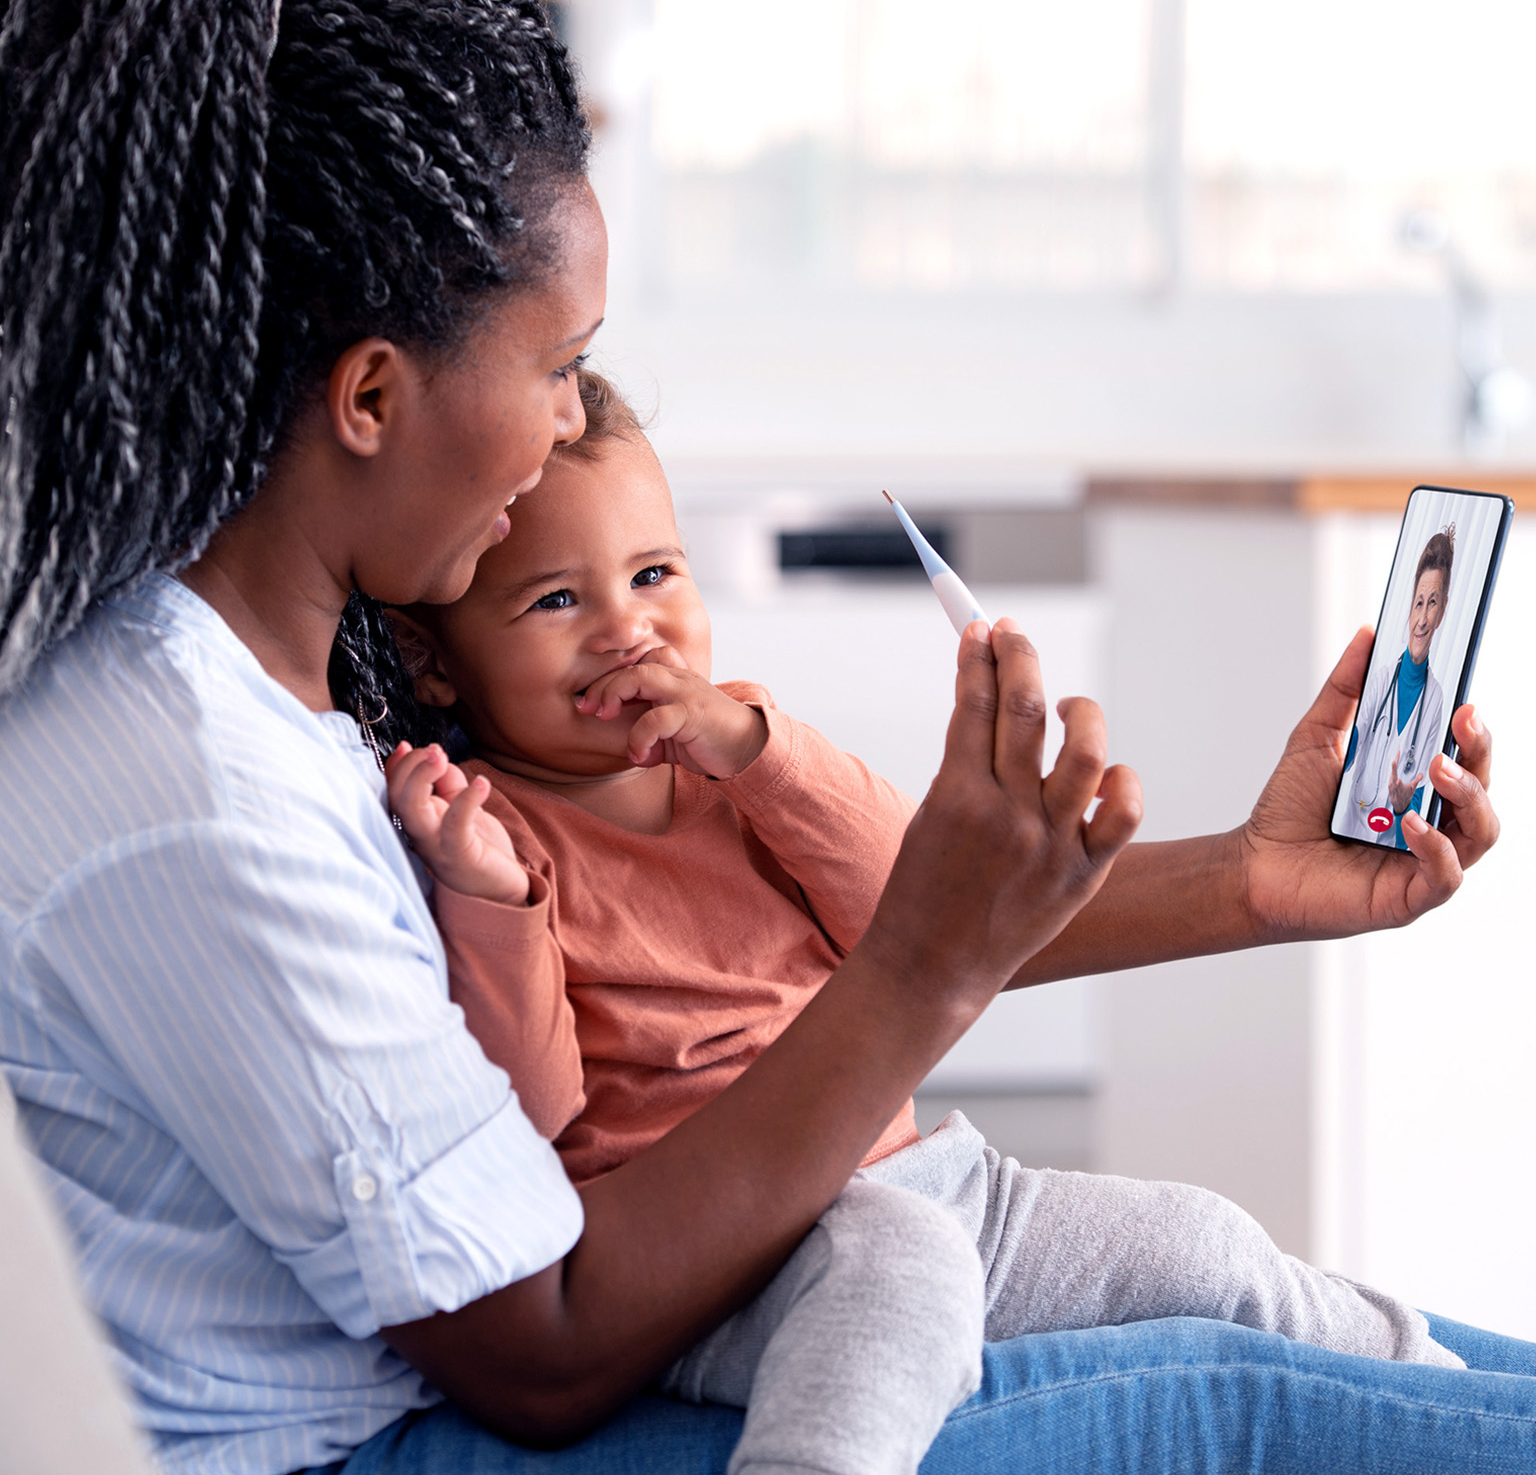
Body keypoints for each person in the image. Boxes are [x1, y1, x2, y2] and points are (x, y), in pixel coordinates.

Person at [0, 0, 1529, 1473]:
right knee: (1240, 1396)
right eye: (559, 366)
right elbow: (543, 1344)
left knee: (1309, 1309)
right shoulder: (207, 789)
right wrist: (918, 971)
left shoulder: (282, 680)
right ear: (374, 398)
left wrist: (1243, 883)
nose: (561, 433)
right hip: (437, 1429)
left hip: (757, 1263)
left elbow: (876, 915)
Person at [381, 371, 1462, 1475]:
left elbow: (907, 899)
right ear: (433, 659)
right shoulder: (492, 836)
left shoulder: (739, 765)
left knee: (1203, 1239)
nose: (628, 629)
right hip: (721, 1264)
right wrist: (490, 901)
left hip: (935, 1186)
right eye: (557, 601)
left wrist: (758, 747)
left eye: (655, 574)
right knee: (899, 1274)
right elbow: (535, 1117)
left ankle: (1459, 1403)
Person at [1341, 527, 1454, 849]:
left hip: (1390, 851)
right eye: (1418, 603)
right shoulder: (1379, 680)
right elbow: (1346, 752)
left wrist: (1404, 806)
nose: (1422, 618)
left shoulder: (1435, 701)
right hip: (1347, 835)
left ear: (1443, 610)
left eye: (1432, 603)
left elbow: (1415, 824)